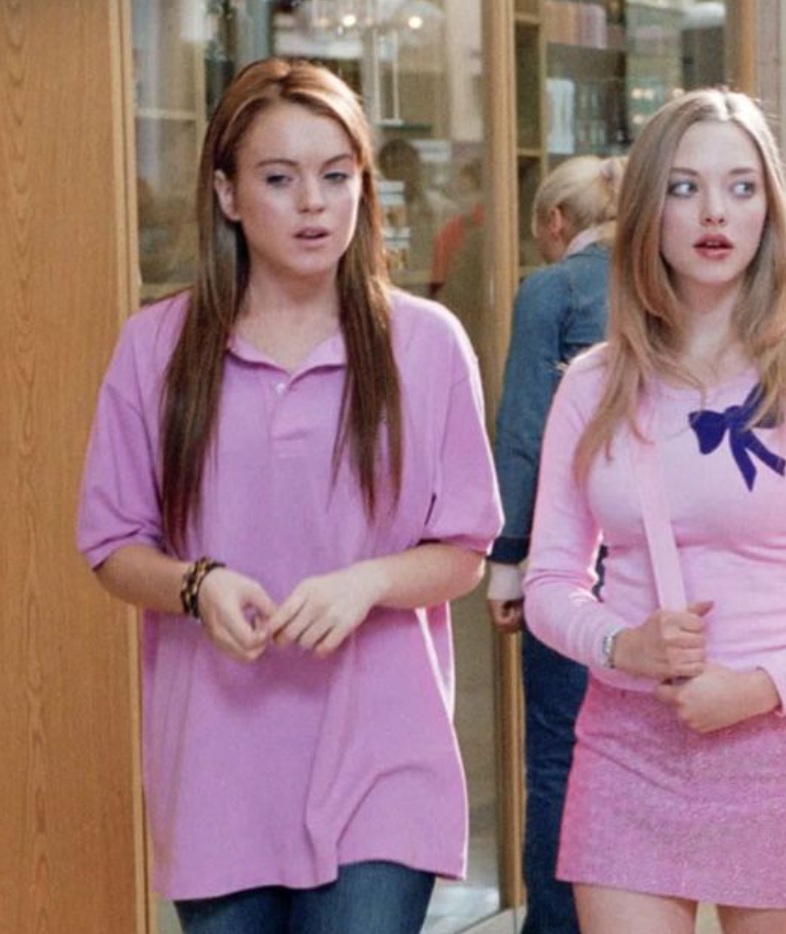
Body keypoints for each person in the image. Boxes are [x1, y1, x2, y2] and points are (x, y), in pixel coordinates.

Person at [76, 59, 502, 931]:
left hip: (384, 757)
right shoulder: (156, 346)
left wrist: (369, 583)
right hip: (219, 767)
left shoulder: (426, 343)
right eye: (279, 178)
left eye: (336, 176)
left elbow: (464, 550)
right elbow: (113, 545)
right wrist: (196, 586)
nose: (314, 203)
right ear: (227, 194)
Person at [522, 88, 786, 934]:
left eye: (740, 187)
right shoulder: (592, 384)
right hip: (626, 746)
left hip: (781, 745)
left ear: (769, 209)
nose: (715, 212)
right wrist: (622, 644)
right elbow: (548, 582)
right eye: (684, 187)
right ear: (647, 208)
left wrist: (761, 688)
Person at [486, 154, 624, 933]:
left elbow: (526, 428)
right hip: (658, 553)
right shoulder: (662, 281)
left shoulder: (552, 289)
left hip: (573, 552)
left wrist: (508, 557)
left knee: (559, 756)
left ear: (555, 222)